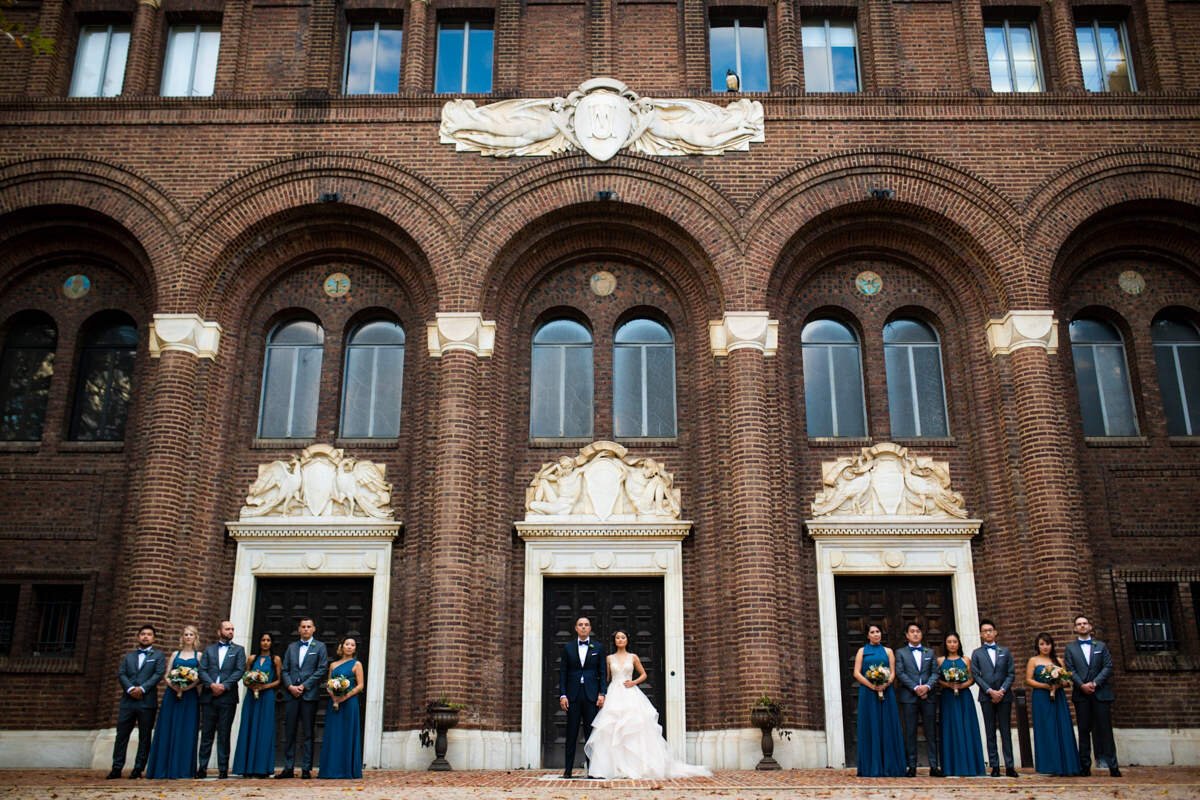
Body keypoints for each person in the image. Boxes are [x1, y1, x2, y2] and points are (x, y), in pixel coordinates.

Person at [584, 630, 710, 779]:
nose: (620, 640)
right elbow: (606, 678)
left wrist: (634, 682)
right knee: (611, 729)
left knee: (633, 727)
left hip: (630, 693)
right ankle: (614, 767)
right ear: (615, 640)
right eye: (617, 638)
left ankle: (635, 765)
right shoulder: (609, 658)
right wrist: (602, 693)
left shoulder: (633, 657)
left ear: (627, 640)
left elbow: (644, 674)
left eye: (623, 637)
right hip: (614, 694)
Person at [1064, 615, 1121, 777]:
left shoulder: (1101, 646)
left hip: (1100, 693)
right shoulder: (1070, 648)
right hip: (1081, 695)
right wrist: (1081, 685)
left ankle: (1113, 765)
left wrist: (1095, 683)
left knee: (1105, 730)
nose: (1082, 626)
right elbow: (1070, 669)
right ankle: (1084, 766)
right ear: (1075, 628)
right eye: (1079, 624)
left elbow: (1108, 666)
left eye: (1085, 623)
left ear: (1090, 626)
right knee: (1083, 730)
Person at [108, 624, 166, 779]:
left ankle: (138, 768)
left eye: (149, 634)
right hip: (128, 701)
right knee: (122, 735)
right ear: (138, 637)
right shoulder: (129, 656)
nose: (145, 637)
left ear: (153, 638)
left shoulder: (158, 656)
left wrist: (142, 689)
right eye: (143, 634)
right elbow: (122, 674)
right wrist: (130, 689)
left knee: (144, 735)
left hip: (146, 701)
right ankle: (116, 767)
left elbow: (158, 674)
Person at [145, 625, 202, 779]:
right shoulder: (175, 654)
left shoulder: (199, 656)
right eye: (186, 634)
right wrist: (175, 686)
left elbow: (199, 677)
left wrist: (186, 687)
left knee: (186, 729)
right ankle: (162, 768)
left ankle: (182, 768)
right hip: (172, 695)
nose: (188, 637)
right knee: (167, 728)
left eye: (191, 634)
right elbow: (167, 674)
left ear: (195, 637)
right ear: (182, 637)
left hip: (189, 696)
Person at [276, 617, 329, 779]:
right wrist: (290, 686)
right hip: (291, 694)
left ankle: (306, 768)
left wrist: (304, 686)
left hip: (309, 695)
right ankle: (288, 767)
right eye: (303, 627)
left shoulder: (320, 647)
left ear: (314, 629)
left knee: (307, 732)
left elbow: (321, 669)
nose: (306, 629)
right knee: (290, 731)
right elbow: (285, 670)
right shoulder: (292, 647)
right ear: (299, 629)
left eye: (309, 627)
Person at [851, 623, 906, 777]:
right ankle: (871, 766)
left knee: (887, 725)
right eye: (872, 632)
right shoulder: (862, 651)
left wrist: (885, 684)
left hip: (886, 692)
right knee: (871, 725)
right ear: (868, 635)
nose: (876, 634)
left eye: (878, 632)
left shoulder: (888, 651)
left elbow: (893, 673)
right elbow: (856, 673)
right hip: (868, 694)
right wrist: (871, 685)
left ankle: (890, 765)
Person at [558, 616, 606, 778]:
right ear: (575, 628)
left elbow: (602, 672)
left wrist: (602, 693)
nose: (584, 627)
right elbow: (563, 673)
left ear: (590, 628)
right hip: (573, 696)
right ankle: (568, 770)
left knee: (591, 734)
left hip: (591, 695)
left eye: (586, 625)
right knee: (571, 733)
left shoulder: (598, 647)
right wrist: (563, 694)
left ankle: (592, 770)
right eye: (580, 625)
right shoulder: (568, 648)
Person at [1026, 632, 1080, 776]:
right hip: (1041, 698)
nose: (1045, 647)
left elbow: (1067, 681)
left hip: (1058, 698)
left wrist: (1059, 684)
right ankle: (1049, 765)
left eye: (1047, 644)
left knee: (1061, 726)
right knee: (1046, 728)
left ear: (1052, 645)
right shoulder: (1033, 660)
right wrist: (1044, 685)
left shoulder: (1058, 661)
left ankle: (1066, 764)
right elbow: (1028, 680)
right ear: (1037, 646)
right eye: (1042, 644)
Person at [197, 620, 245, 779]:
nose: (230, 631)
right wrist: (211, 685)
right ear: (219, 632)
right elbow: (202, 670)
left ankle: (223, 768)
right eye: (227, 629)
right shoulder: (209, 650)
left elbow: (239, 670)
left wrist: (224, 686)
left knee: (224, 733)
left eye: (232, 629)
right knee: (207, 733)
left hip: (227, 697)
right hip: (209, 696)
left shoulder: (239, 650)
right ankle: (202, 767)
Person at [970, 618, 1018, 777]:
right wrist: (990, 691)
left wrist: (1002, 690)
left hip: (1004, 696)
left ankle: (1010, 765)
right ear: (981, 634)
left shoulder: (1005, 651)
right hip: (986, 696)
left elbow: (1011, 673)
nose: (988, 633)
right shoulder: (977, 653)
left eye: (990, 630)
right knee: (990, 731)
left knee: (1005, 730)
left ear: (995, 632)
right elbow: (976, 675)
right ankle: (995, 765)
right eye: (984, 631)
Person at [894, 621, 943, 777]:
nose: (915, 634)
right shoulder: (900, 653)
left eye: (918, 631)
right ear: (907, 635)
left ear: (921, 634)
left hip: (928, 696)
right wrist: (916, 688)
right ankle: (912, 765)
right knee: (910, 731)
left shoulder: (929, 652)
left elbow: (936, 672)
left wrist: (927, 687)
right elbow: (900, 673)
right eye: (912, 631)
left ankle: (934, 766)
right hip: (909, 697)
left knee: (931, 731)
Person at [233, 632, 282, 778]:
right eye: (263, 640)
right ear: (259, 642)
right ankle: (246, 767)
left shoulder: (276, 659)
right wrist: (251, 684)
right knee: (249, 727)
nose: (265, 642)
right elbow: (245, 677)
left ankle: (262, 768)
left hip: (266, 697)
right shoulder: (252, 658)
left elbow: (279, 680)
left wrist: (264, 687)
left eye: (268, 640)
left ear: (272, 643)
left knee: (264, 729)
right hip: (252, 698)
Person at [936, 632, 985, 776]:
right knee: (950, 727)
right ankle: (951, 766)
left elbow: (972, 678)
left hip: (964, 697)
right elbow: (937, 679)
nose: (952, 644)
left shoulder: (966, 660)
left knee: (965, 726)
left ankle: (970, 764)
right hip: (948, 697)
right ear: (945, 644)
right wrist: (948, 684)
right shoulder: (940, 660)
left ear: (959, 644)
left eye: (954, 642)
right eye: (949, 642)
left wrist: (961, 686)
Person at [318, 636, 365, 779]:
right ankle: (331, 769)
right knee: (334, 734)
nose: (350, 647)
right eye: (347, 644)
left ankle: (346, 769)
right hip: (335, 703)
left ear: (355, 648)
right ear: (342, 646)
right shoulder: (333, 665)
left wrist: (345, 697)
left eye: (353, 645)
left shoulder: (357, 664)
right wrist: (334, 697)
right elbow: (329, 683)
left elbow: (360, 685)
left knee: (347, 733)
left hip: (350, 703)